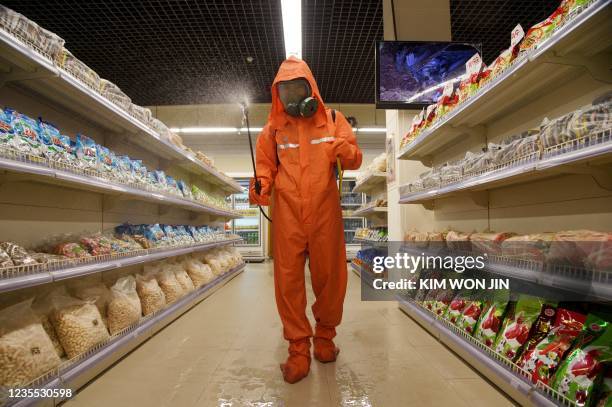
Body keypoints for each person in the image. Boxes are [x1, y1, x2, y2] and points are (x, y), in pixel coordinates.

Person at [249, 56, 362, 383]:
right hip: (287, 214)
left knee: (331, 277)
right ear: (277, 95)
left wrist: (342, 147)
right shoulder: (271, 130)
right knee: (288, 282)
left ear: (311, 87)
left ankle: (325, 338)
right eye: (285, 92)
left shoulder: (332, 119)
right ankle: (298, 349)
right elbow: (264, 169)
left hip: (325, 210)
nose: (293, 98)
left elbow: (354, 159)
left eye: (299, 88)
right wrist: (260, 187)